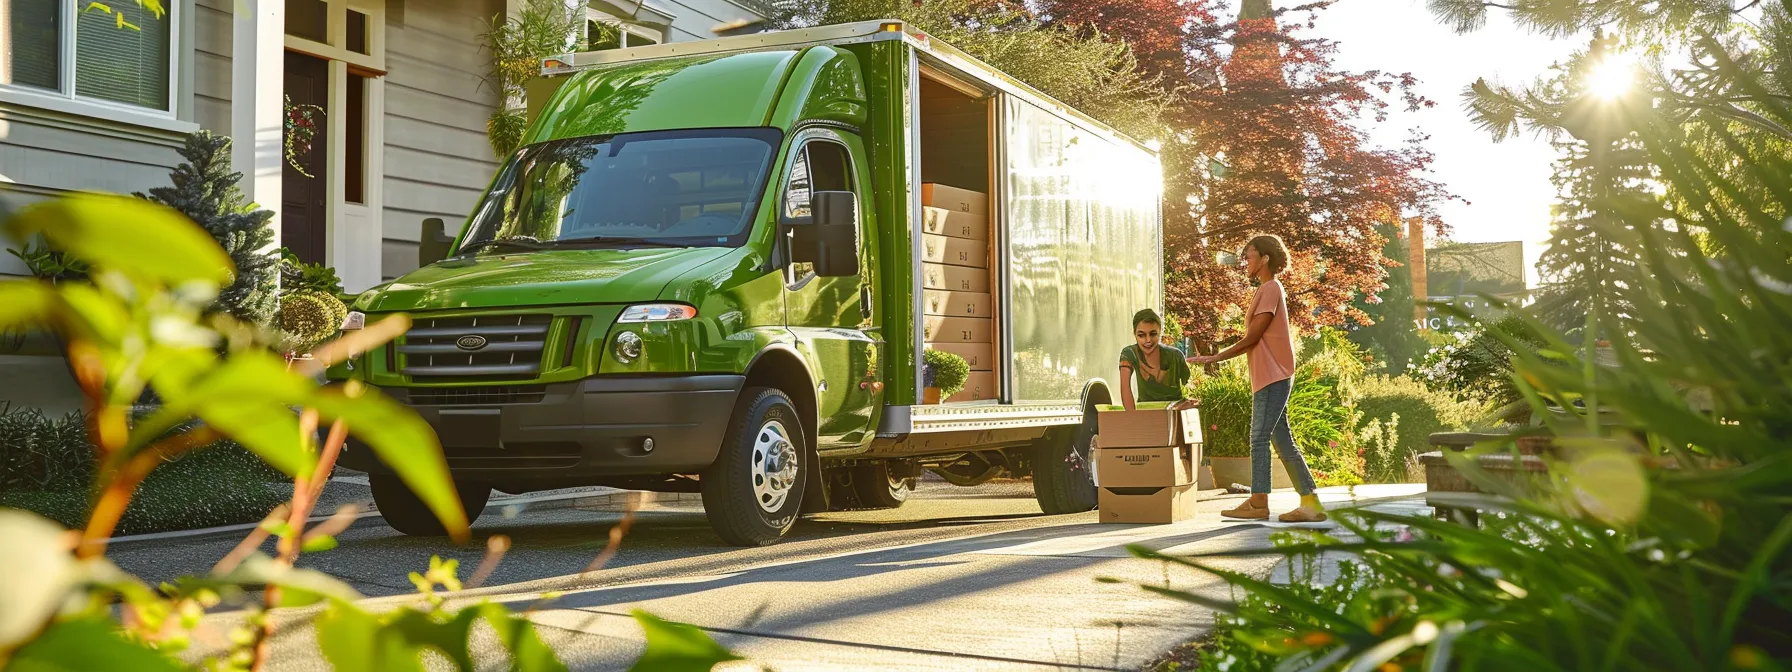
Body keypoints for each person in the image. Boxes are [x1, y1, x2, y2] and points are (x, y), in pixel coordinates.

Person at [1188, 235, 1325, 522]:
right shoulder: (1266, 289)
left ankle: (1258, 502)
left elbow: (1252, 338)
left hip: (1273, 376)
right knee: (1281, 439)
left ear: (1264, 258)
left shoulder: (1271, 288)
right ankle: (1310, 503)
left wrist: (1212, 358)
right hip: (1270, 375)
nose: (1245, 262)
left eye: (1249, 256)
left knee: (1259, 438)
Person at [1119, 309, 1197, 412]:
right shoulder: (1129, 353)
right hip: (1146, 415)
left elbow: (1191, 388)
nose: (1148, 340)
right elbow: (1125, 388)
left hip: (1175, 414)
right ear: (1134, 334)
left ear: (1160, 332)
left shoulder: (1175, 356)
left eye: (1153, 334)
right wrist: (1133, 419)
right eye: (1141, 335)